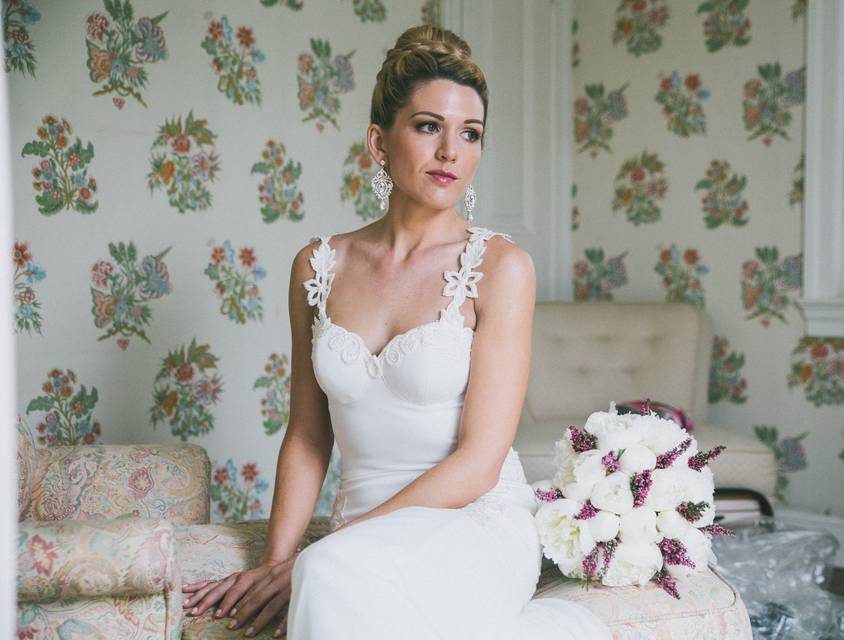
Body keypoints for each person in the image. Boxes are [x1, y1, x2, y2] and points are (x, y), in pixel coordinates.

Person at [181, 24, 612, 639]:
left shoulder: (501, 268)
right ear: (379, 142)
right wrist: (279, 563)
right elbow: (307, 434)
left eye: (470, 134)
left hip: (473, 522)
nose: (450, 152)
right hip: (358, 529)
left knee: (329, 571)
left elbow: (480, 462)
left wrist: (316, 559)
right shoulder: (318, 265)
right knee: (329, 575)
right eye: (428, 126)